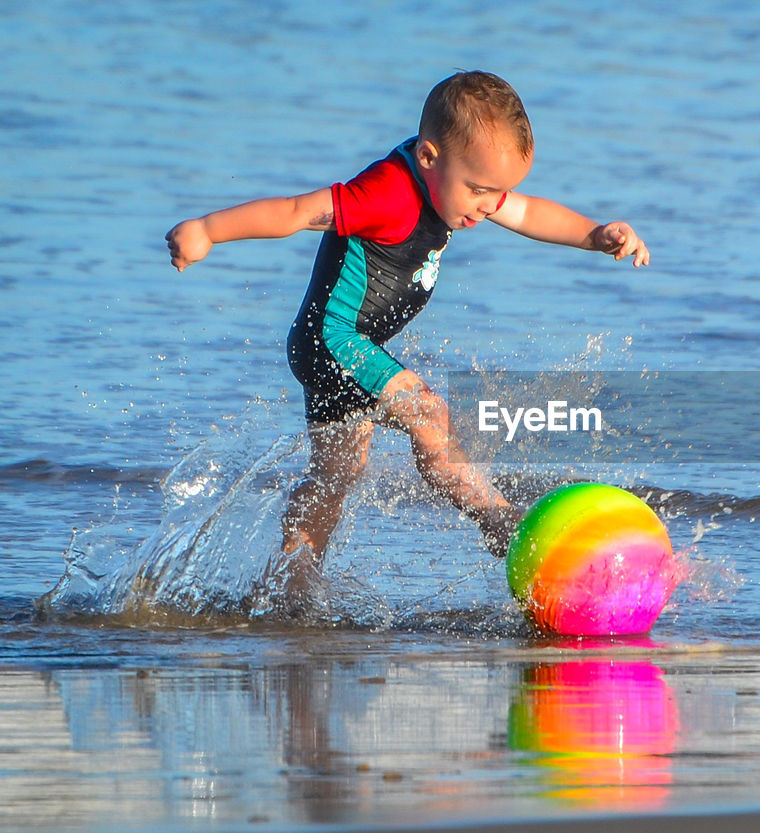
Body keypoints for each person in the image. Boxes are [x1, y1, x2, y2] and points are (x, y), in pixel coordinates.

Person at [165, 70, 649, 601]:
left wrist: (594, 235)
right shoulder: (386, 195)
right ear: (428, 158)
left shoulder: (456, 184)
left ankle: (287, 585)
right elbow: (297, 211)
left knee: (336, 474)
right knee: (428, 413)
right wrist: (208, 230)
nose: (490, 206)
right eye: (481, 191)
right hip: (336, 339)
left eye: (497, 192)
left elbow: (529, 210)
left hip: (338, 348)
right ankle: (497, 521)